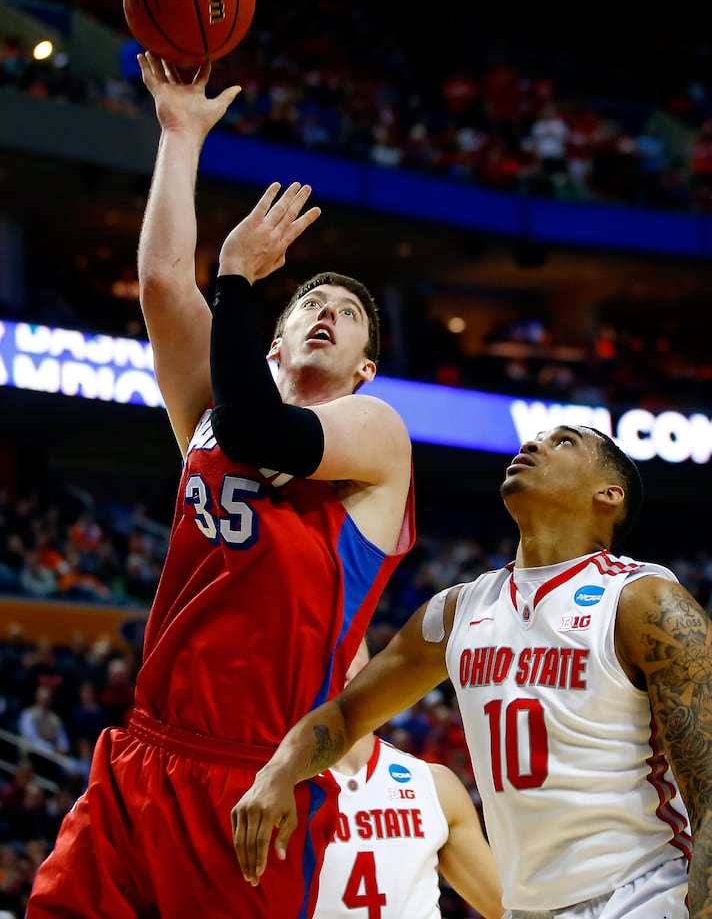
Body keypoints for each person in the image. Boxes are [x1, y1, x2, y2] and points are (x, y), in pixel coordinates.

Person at [26, 54, 414, 919]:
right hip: (141, 755)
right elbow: (165, 284)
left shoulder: (377, 433)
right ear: (270, 344)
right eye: (310, 301)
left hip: (254, 775)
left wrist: (240, 278)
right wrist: (178, 135)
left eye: (347, 315)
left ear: (366, 366)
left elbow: (261, 430)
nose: (326, 311)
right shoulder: (208, 413)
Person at [233, 424, 712, 919]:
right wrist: (279, 771)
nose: (533, 444)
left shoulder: (643, 603)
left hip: (647, 892)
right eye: (537, 437)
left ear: (608, 495)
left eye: (564, 442)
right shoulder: (457, 612)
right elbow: (347, 714)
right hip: (531, 907)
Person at [314, 638, 503, 919]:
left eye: (349, 647)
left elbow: (508, 910)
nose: (339, 661)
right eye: (324, 650)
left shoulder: (435, 785)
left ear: (373, 665)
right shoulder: (270, 791)